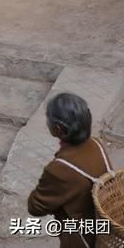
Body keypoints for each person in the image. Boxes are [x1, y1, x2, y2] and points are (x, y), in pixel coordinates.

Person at [28, 93, 112, 248]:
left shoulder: (58, 170)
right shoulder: (96, 145)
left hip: (81, 238)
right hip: (103, 230)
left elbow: (35, 207)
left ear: (58, 129)